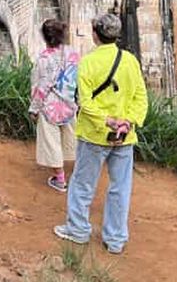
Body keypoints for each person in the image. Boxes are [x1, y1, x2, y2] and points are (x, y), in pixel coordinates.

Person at [53, 13, 148, 255]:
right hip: (125, 137)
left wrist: (106, 121)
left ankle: (78, 230)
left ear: (95, 33)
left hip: (94, 136)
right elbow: (140, 98)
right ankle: (115, 239)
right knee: (120, 187)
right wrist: (128, 122)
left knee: (83, 184)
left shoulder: (88, 62)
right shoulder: (130, 61)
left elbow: (85, 102)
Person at [29, 19, 80, 192]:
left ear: (45, 37)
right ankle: (77, 175)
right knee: (70, 139)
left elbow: (42, 87)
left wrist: (34, 109)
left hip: (50, 106)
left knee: (51, 142)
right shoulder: (73, 54)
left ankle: (59, 179)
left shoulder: (44, 59)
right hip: (69, 104)